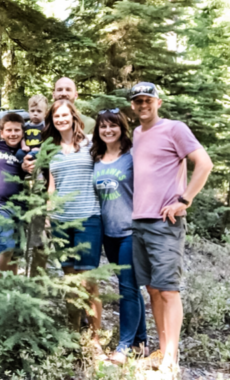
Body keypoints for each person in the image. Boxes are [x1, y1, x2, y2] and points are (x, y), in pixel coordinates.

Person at [129, 82, 213, 372]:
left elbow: (204, 163)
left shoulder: (175, 128)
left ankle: (171, 359)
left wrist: (184, 200)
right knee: (152, 289)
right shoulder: (137, 134)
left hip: (165, 222)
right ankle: (163, 351)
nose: (143, 105)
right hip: (139, 221)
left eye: (148, 100)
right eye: (138, 101)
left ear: (158, 102)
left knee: (168, 290)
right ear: (133, 105)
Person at [43, 99, 104, 357]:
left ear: (73, 116)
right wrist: (48, 213)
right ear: (52, 120)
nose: (61, 119)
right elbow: (52, 186)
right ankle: (72, 334)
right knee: (69, 281)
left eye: (65, 115)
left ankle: (95, 340)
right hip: (60, 221)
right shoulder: (51, 149)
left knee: (88, 280)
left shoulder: (91, 143)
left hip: (88, 218)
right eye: (56, 116)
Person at [90, 108, 147, 365]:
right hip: (107, 233)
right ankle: (141, 342)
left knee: (126, 288)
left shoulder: (132, 156)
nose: (108, 130)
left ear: (121, 128)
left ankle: (124, 347)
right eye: (103, 126)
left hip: (130, 231)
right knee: (129, 286)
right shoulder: (97, 158)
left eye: (112, 126)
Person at [0, 113, 26, 279]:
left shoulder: (24, 152)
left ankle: (10, 291)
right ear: (2, 132)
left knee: (16, 251)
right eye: (9, 130)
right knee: (7, 245)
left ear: (23, 132)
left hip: (20, 206)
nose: (13, 134)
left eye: (17, 130)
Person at [16, 94, 48, 162]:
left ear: (45, 113)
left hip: (39, 151)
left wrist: (40, 149)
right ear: (29, 111)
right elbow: (23, 138)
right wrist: (24, 146)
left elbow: (47, 140)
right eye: (32, 111)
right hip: (27, 149)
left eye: (39, 111)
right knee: (19, 153)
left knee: (34, 155)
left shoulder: (45, 126)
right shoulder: (25, 126)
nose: (35, 113)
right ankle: (24, 166)